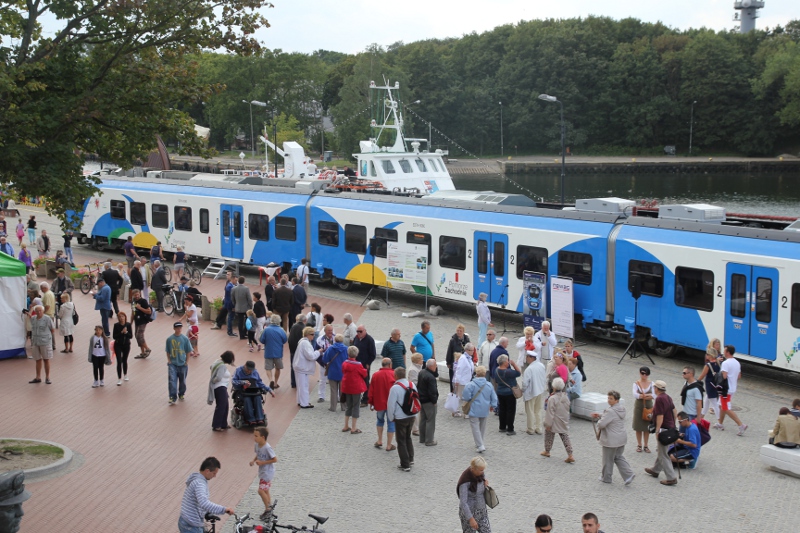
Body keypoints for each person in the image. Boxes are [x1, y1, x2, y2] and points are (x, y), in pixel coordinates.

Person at [178, 457, 233, 533]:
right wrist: (224, 509)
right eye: (214, 473)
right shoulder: (200, 483)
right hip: (191, 525)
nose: (215, 476)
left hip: (184, 519)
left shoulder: (196, 479)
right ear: (207, 471)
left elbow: (198, 501)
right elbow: (204, 503)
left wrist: (205, 512)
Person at [592, 390, 635, 484]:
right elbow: (611, 417)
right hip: (621, 438)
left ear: (616, 400)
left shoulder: (610, 411)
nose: (609, 400)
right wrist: (600, 415)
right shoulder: (621, 409)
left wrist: (598, 421)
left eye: (611, 398)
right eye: (608, 398)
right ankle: (629, 474)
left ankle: (606, 477)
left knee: (607, 459)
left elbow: (602, 424)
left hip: (611, 440)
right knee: (618, 457)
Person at [644, 379, 678, 485]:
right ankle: (655, 470)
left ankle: (671, 477)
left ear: (656, 389)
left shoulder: (659, 399)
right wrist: (673, 424)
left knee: (663, 454)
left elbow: (660, 416)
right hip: (670, 428)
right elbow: (674, 411)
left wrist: (658, 430)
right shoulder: (668, 397)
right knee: (661, 450)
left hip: (663, 429)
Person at [462, 366, 498, 453]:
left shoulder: (470, 384)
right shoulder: (489, 385)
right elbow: (494, 397)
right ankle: (480, 442)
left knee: (475, 427)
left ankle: (480, 445)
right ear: (485, 374)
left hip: (474, 408)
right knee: (482, 427)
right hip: (485, 408)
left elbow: (466, 397)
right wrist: (493, 405)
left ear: (476, 374)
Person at [387, 366, 417, 472]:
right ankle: (411, 458)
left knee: (401, 440)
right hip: (411, 415)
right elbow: (416, 399)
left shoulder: (395, 388)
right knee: (408, 437)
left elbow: (390, 405)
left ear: (395, 376)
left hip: (400, 417)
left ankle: (405, 464)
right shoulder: (411, 384)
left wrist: (391, 417)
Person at [716, 345, 748, 435]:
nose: (723, 352)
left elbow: (724, 376)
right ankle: (720, 423)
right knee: (721, 405)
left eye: (724, 350)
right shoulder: (737, 363)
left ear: (728, 352)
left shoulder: (726, 363)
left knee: (725, 408)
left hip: (726, 389)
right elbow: (739, 376)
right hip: (733, 387)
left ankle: (741, 425)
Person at [542, 377, 574, 462]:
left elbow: (550, 412)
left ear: (554, 387)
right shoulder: (566, 397)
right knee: (565, 436)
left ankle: (547, 450)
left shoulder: (552, 398)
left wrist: (548, 424)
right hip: (563, 419)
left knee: (548, 435)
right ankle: (570, 454)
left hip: (554, 420)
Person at [456, 456, 492, 533]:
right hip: (469, 514)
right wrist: (471, 519)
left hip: (481, 513)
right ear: (473, 469)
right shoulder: (464, 482)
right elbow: (463, 502)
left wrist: (484, 484)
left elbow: (480, 490)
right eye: (481, 470)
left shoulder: (480, 475)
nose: (483, 472)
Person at [368, 358, 396, 451]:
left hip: (379, 403)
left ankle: (379, 440)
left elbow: (371, 390)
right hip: (391, 404)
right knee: (391, 423)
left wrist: (371, 402)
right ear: (390, 365)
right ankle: (389, 445)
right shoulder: (394, 375)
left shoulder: (376, 375)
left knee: (380, 421)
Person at [250, 427, 277, 521]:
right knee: (266, 491)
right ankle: (270, 506)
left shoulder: (267, 447)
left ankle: (268, 509)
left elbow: (275, 459)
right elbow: (258, 454)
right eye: (254, 435)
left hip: (267, 472)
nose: (254, 438)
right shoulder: (257, 445)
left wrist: (262, 463)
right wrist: (253, 461)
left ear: (263, 437)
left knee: (261, 491)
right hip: (262, 472)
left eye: (256, 436)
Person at [232, 360, 271, 425]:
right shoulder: (238, 370)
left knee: (258, 398)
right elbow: (234, 381)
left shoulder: (255, 372)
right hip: (242, 391)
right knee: (247, 399)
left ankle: (260, 418)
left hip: (254, 391)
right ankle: (251, 419)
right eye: (248, 369)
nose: (250, 371)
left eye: (251, 370)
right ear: (245, 366)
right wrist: (243, 382)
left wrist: (268, 389)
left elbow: (259, 382)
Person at [166, 322, 194, 405]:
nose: (179, 329)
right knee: (172, 380)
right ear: (174, 328)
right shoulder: (170, 339)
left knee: (183, 381)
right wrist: (169, 360)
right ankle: (172, 396)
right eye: (177, 328)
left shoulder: (185, 339)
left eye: (180, 327)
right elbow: (167, 351)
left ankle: (181, 393)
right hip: (173, 364)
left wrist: (187, 362)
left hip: (182, 364)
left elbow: (188, 351)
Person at [341, 345, 367, 434]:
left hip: (347, 386)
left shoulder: (345, 363)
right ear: (356, 354)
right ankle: (354, 427)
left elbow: (343, 371)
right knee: (356, 406)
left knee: (349, 405)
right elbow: (364, 374)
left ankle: (345, 425)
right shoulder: (358, 365)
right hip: (356, 387)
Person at [208, 351, 235, 431]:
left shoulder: (217, 361)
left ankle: (223, 423)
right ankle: (217, 425)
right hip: (220, 387)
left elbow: (211, 367)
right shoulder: (222, 366)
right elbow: (218, 377)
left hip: (221, 387)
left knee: (225, 405)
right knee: (221, 406)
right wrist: (214, 381)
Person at [521, 351, 547, 435]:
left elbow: (525, 383)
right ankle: (539, 428)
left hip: (531, 392)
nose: (526, 358)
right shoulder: (541, 365)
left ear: (531, 358)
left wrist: (522, 390)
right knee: (538, 410)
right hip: (540, 391)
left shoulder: (529, 369)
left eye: (527, 357)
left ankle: (530, 428)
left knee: (530, 411)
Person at [494, 354, 521, 435]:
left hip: (500, 392)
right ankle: (510, 428)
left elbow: (496, 381)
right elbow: (518, 373)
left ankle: (502, 427)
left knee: (502, 409)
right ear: (505, 362)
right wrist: (514, 364)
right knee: (510, 411)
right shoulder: (508, 372)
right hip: (509, 393)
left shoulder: (496, 370)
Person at [322, 334, 348, 412]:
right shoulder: (346, 349)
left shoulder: (330, 348)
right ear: (342, 340)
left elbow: (325, 359)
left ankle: (333, 407)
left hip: (332, 372)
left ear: (335, 340)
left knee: (333, 390)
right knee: (343, 391)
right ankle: (344, 407)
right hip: (343, 373)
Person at [28, 305, 54, 384]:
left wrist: (48, 338)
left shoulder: (47, 319)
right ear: (35, 312)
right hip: (35, 342)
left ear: (43, 311)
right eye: (37, 311)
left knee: (46, 359)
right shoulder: (33, 319)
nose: (39, 312)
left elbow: (52, 329)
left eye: (40, 311)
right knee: (37, 359)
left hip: (45, 342)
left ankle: (47, 377)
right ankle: (38, 377)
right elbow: (30, 320)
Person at [293, 327, 318, 408]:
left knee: (301, 385)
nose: (313, 336)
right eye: (312, 334)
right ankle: (304, 403)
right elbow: (310, 356)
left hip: (300, 367)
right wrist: (318, 352)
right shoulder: (305, 343)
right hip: (302, 368)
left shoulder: (302, 342)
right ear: (307, 334)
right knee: (304, 386)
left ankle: (300, 401)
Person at [261, 314, 288, 389]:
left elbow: (262, 340)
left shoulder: (266, 330)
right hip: (278, 352)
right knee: (278, 368)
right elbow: (285, 339)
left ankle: (270, 380)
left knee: (268, 368)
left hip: (268, 351)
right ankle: (275, 382)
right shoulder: (281, 330)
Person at [417, 358, 440, 446]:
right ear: (432, 366)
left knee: (422, 419)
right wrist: (434, 401)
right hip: (429, 401)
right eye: (435, 365)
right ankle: (429, 440)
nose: (436, 366)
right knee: (430, 420)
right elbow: (432, 391)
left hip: (421, 400)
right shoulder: (430, 377)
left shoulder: (422, 372)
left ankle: (422, 438)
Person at [632, 366, 654, 453]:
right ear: (640, 373)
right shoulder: (636, 383)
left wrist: (642, 396)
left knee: (646, 427)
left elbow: (654, 395)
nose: (644, 375)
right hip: (639, 407)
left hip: (649, 407)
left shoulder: (652, 383)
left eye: (646, 374)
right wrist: (648, 396)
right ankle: (639, 444)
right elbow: (635, 395)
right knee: (638, 427)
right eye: (642, 373)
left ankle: (646, 445)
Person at [353, 324, 376, 406]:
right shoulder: (356, 338)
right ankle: (356, 398)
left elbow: (373, 354)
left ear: (365, 331)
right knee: (356, 381)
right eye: (357, 331)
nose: (359, 333)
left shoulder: (369, 340)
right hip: (356, 364)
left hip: (364, 365)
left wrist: (368, 363)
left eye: (360, 331)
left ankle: (365, 399)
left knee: (366, 382)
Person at [697, 348, 721, 420]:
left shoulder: (708, 365)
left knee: (714, 403)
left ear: (710, 355)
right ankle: (702, 416)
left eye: (707, 354)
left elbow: (702, 375)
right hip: (715, 385)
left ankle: (719, 421)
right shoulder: (718, 363)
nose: (706, 355)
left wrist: (696, 381)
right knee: (706, 401)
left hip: (710, 386)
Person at [315, 320, 335, 403]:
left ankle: (336, 396)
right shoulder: (320, 339)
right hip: (324, 363)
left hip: (334, 363)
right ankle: (321, 396)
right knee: (322, 380)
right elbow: (316, 352)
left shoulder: (336, 338)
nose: (330, 332)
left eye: (331, 330)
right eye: (328, 330)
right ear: (325, 331)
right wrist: (323, 363)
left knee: (334, 380)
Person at [453, 344, 476, 418]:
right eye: (471, 350)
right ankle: (457, 411)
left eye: (473, 350)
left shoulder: (469, 358)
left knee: (464, 397)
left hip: (467, 381)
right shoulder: (463, 358)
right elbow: (459, 370)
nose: (473, 352)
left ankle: (464, 412)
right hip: (462, 382)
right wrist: (457, 381)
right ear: (467, 350)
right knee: (460, 397)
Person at [445, 324, 470, 391]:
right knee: (453, 379)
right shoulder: (453, 340)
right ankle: (452, 392)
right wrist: (448, 362)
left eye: (460, 331)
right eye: (457, 331)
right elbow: (449, 351)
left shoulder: (467, 340)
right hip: (455, 362)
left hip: (464, 363)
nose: (459, 332)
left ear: (463, 331)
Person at [112, 312, 133, 385]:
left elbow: (131, 336)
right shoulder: (116, 325)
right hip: (118, 345)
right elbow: (114, 336)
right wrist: (121, 332)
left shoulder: (128, 325)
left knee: (125, 360)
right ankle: (119, 378)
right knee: (119, 361)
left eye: (122, 316)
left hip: (126, 345)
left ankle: (125, 374)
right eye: (120, 317)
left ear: (125, 317)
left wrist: (126, 332)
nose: (121, 318)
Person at [287, 313, 307, 389]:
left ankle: (293, 382)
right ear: (305, 320)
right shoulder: (304, 328)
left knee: (293, 366)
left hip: (292, 349)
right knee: (301, 367)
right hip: (300, 351)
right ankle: (300, 382)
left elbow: (290, 339)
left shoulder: (293, 327)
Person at [131, 289, 152, 359]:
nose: (136, 296)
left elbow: (149, 311)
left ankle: (147, 349)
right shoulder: (133, 302)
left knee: (139, 335)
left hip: (143, 321)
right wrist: (130, 322)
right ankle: (143, 352)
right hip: (137, 320)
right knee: (137, 336)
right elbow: (133, 312)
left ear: (140, 294)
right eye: (135, 295)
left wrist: (140, 308)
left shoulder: (143, 301)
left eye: (137, 294)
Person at [231, 276, 252, 340]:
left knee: (240, 321)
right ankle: (244, 332)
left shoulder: (234, 289)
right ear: (244, 281)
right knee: (248, 320)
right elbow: (249, 299)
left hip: (238, 307)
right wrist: (251, 306)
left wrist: (235, 305)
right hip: (245, 308)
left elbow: (232, 299)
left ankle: (241, 335)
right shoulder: (246, 288)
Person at [408, 352, 424, 434]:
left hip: (419, 391)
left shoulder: (419, 367)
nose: (422, 360)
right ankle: (415, 429)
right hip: (415, 392)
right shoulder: (413, 370)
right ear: (417, 360)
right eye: (421, 359)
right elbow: (413, 382)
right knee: (416, 410)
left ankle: (418, 427)